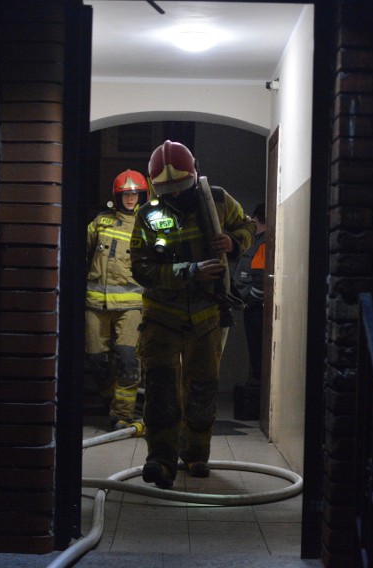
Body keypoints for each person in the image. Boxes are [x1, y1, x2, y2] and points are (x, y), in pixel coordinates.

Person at [130, 140, 255, 488]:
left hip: (206, 316)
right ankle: (161, 460)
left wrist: (233, 242)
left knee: (202, 390)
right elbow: (141, 268)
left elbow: (247, 226)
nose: (175, 198)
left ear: (195, 175)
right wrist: (189, 271)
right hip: (161, 317)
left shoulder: (217, 201)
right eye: (167, 192)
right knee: (161, 390)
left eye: (181, 190)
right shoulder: (147, 215)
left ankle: (196, 455)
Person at [85, 169, 149, 431]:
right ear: (118, 195)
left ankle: (123, 414)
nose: (131, 198)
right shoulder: (99, 223)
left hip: (132, 305)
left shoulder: (147, 226)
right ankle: (114, 403)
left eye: (135, 193)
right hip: (95, 304)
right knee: (97, 361)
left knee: (127, 358)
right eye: (126, 193)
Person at [234, 203, 266, 385]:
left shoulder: (264, 243)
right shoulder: (259, 241)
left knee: (257, 353)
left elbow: (261, 276)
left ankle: (256, 391)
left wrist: (252, 299)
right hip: (252, 307)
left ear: (255, 220)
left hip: (255, 309)